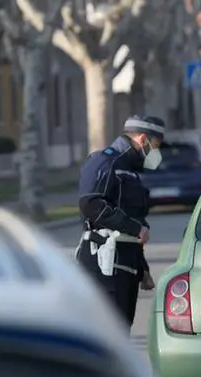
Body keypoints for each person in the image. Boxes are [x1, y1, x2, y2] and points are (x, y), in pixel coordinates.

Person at [76, 116, 165, 330]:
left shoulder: (131, 170)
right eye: (156, 146)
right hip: (103, 264)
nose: (157, 153)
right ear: (143, 139)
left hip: (125, 264)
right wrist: (135, 228)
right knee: (108, 336)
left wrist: (141, 268)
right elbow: (91, 203)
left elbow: (132, 218)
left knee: (121, 333)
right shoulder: (105, 161)